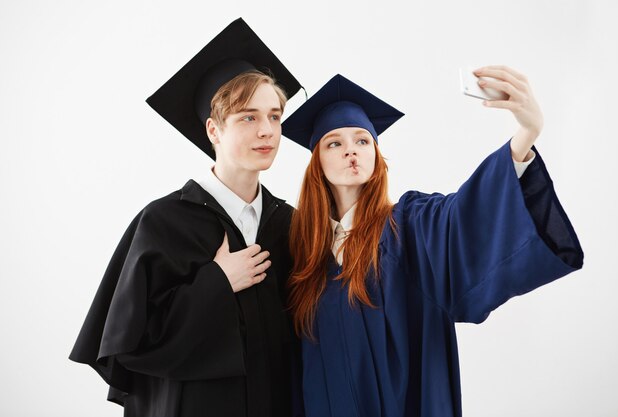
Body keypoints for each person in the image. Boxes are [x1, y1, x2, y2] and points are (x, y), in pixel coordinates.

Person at [281, 71, 584, 417]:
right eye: (335, 143)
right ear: (316, 163)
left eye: (362, 141)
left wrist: (524, 137)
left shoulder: (408, 226)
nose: (351, 150)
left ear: (377, 156)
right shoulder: (303, 254)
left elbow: (464, 216)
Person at [69, 18, 303, 417]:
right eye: (248, 117)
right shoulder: (164, 222)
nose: (267, 131)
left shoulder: (290, 223)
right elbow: (130, 344)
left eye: (275, 116)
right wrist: (217, 283)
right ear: (213, 130)